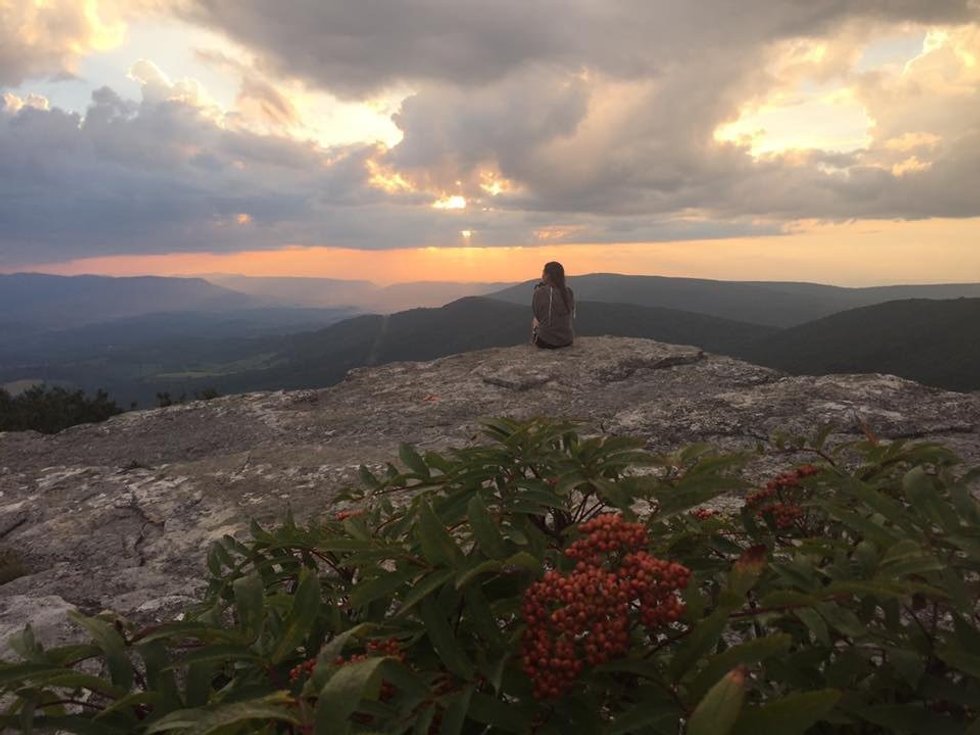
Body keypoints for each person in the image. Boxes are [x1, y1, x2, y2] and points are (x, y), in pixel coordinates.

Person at [531, 261, 575, 348]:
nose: (542, 276)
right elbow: (571, 310)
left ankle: (533, 342)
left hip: (546, 342)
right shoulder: (568, 292)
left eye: (543, 273)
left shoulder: (540, 292)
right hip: (567, 341)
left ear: (548, 275)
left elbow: (538, 315)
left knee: (535, 320)